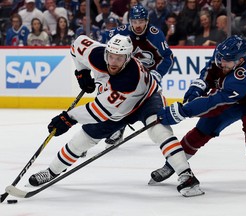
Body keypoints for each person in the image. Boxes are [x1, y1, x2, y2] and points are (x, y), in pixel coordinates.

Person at [27, 34, 204, 197]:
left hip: (146, 99)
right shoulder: (96, 54)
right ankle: (52, 171)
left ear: (127, 58)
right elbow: (76, 44)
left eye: (119, 58)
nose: (113, 62)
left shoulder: (128, 78)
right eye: (111, 56)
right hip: (117, 108)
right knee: (83, 139)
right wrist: (81, 72)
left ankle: (186, 175)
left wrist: (69, 118)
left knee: (159, 131)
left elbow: (99, 111)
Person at [149, 35, 246, 189]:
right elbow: (209, 71)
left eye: (227, 61)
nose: (222, 62)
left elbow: (215, 103)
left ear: (241, 60)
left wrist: (183, 111)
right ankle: (172, 164)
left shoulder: (244, 75)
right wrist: (197, 89)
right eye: (221, 58)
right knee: (202, 130)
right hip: (232, 98)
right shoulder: (223, 53)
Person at [103, 4, 174, 146]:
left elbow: (168, 57)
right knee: (116, 99)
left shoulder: (155, 35)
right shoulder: (123, 32)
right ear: (130, 22)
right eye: (134, 22)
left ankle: (160, 129)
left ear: (147, 21)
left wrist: (157, 73)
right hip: (129, 74)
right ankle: (118, 127)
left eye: (141, 21)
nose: (137, 25)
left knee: (152, 108)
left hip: (149, 77)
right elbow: (106, 39)